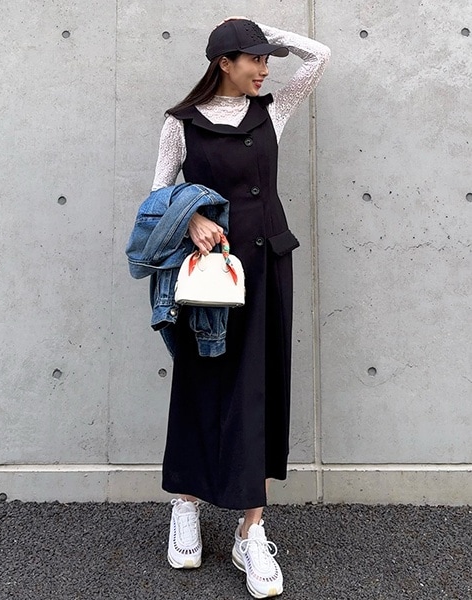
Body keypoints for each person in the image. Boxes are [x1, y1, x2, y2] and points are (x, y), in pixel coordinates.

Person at [150, 16, 330, 598]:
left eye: (267, 58)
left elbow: (320, 56)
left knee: (259, 388)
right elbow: (158, 195)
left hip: (266, 265)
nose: (265, 68)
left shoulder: (271, 111)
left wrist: (271, 34)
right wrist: (192, 220)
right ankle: (185, 504)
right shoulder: (181, 123)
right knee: (201, 379)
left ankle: (251, 530)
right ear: (223, 63)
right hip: (209, 274)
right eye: (254, 58)